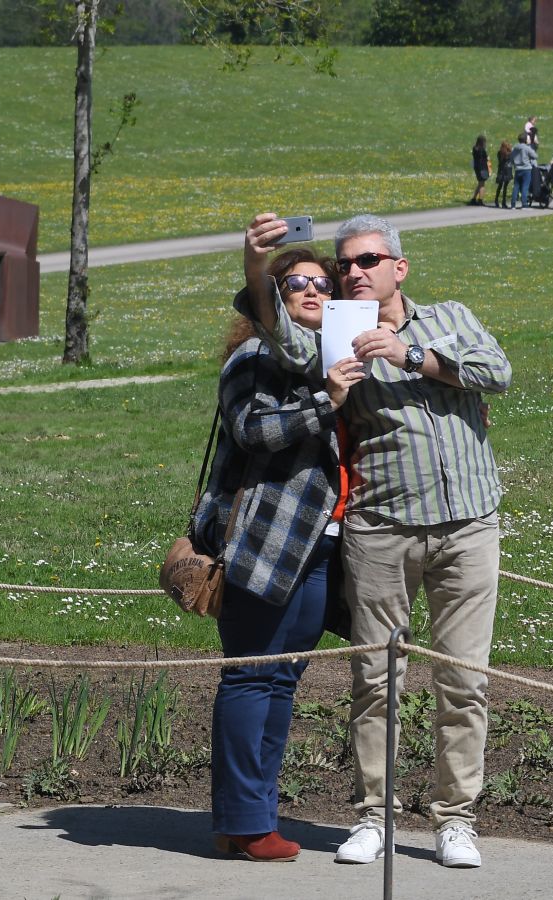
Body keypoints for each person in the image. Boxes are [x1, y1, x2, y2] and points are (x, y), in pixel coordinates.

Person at [236, 213, 511, 871]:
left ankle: (455, 823)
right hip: (380, 528)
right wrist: (252, 264)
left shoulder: (448, 316)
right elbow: (275, 332)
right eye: (345, 264)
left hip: (467, 525)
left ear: (398, 267)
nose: (352, 272)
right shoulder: (332, 332)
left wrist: (410, 355)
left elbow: (494, 371)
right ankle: (372, 818)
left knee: (463, 682)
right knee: (375, 681)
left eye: (366, 260)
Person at [200, 229, 367, 863]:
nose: (313, 291)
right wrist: (327, 403)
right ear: (273, 295)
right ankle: (245, 823)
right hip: (265, 545)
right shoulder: (252, 361)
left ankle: (249, 817)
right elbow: (252, 428)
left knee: (283, 681)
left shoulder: (330, 359)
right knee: (250, 677)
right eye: (297, 283)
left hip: (321, 550)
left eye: (323, 284)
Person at [509, 132, 537, 210]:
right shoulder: (527, 148)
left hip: (518, 169)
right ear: (525, 140)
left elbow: (511, 157)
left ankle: (513, 204)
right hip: (526, 169)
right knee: (525, 186)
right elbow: (535, 156)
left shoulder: (515, 148)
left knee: (516, 186)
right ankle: (524, 204)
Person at [469, 135, 489, 206]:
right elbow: (485, 158)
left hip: (477, 167)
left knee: (480, 183)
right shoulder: (482, 150)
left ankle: (473, 199)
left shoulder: (475, 148)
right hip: (482, 168)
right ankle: (480, 200)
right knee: (482, 185)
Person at [492, 139, 513, 208]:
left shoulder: (499, 153)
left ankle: (496, 200)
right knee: (505, 187)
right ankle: (503, 202)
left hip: (501, 170)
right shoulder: (509, 153)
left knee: (500, 186)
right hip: (507, 171)